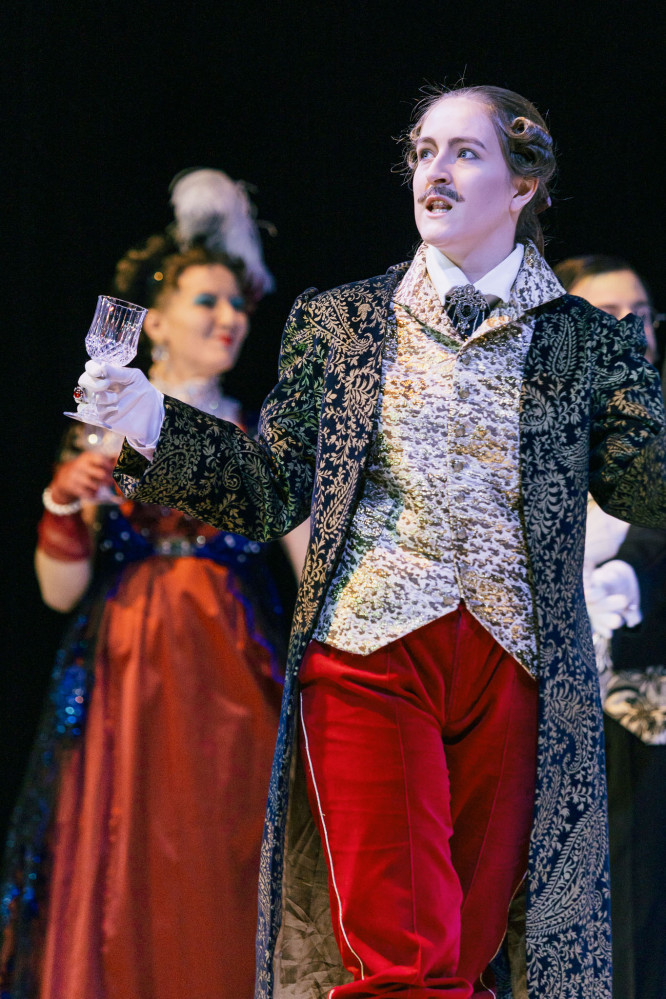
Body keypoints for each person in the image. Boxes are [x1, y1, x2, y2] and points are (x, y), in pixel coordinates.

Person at [71, 86, 666, 999]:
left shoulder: (586, 343)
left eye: (465, 152)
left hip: (516, 670)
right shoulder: (343, 321)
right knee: (400, 957)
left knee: (461, 958)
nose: (435, 171)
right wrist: (151, 418)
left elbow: (642, 482)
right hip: (368, 654)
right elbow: (274, 488)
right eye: (424, 151)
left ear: (523, 184)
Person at [0, 170, 301, 999]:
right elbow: (59, 592)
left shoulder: (255, 433)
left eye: (237, 304)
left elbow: (311, 561)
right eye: (207, 302)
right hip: (127, 672)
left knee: (227, 852)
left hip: (232, 671)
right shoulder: (98, 429)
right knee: (123, 861)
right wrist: (64, 504)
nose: (230, 317)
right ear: (155, 321)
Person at [555, 254, 666, 999]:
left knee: (634, 921)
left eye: (642, 317)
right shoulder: (519, 436)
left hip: (638, 708)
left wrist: (624, 581)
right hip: (535, 715)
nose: (632, 332)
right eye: (608, 317)